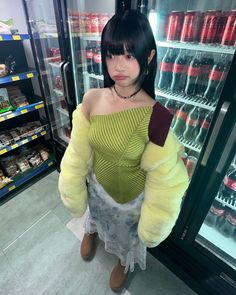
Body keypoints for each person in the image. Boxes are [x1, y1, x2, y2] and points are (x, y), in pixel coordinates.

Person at [58, 9, 189, 293]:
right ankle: (90, 230)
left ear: (149, 57)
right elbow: (78, 152)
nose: (117, 65)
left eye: (129, 56)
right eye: (111, 55)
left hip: (131, 202)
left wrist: (154, 222)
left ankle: (123, 260)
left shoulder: (158, 117)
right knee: (95, 213)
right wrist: (71, 185)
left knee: (127, 236)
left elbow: (165, 179)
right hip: (98, 187)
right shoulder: (92, 99)